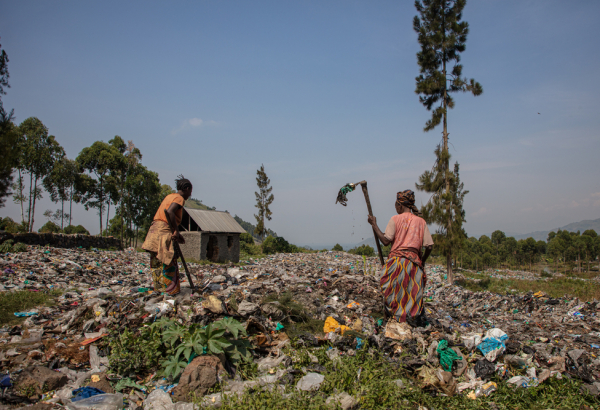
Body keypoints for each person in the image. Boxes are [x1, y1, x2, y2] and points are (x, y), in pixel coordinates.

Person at [367, 189, 434, 324]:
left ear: (400, 205)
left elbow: (386, 241)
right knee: (412, 293)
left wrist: (374, 224)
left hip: (395, 263)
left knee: (392, 292)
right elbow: (430, 246)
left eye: (396, 205)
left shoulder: (395, 219)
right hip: (414, 264)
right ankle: (410, 321)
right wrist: (422, 261)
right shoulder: (421, 221)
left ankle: (395, 319)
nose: (395, 207)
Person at [141, 175, 193, 295]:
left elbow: (167, 214)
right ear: (186, 188)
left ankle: (159, 289)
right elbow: (170, 212)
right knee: (168, 260)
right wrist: (175, 230)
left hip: (154, 230)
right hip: (164, 230)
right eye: (190, 191)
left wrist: (176, 232)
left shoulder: (169, 196)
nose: (190, 194)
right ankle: (171, 292)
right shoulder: (179, 198)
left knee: (156, 260)